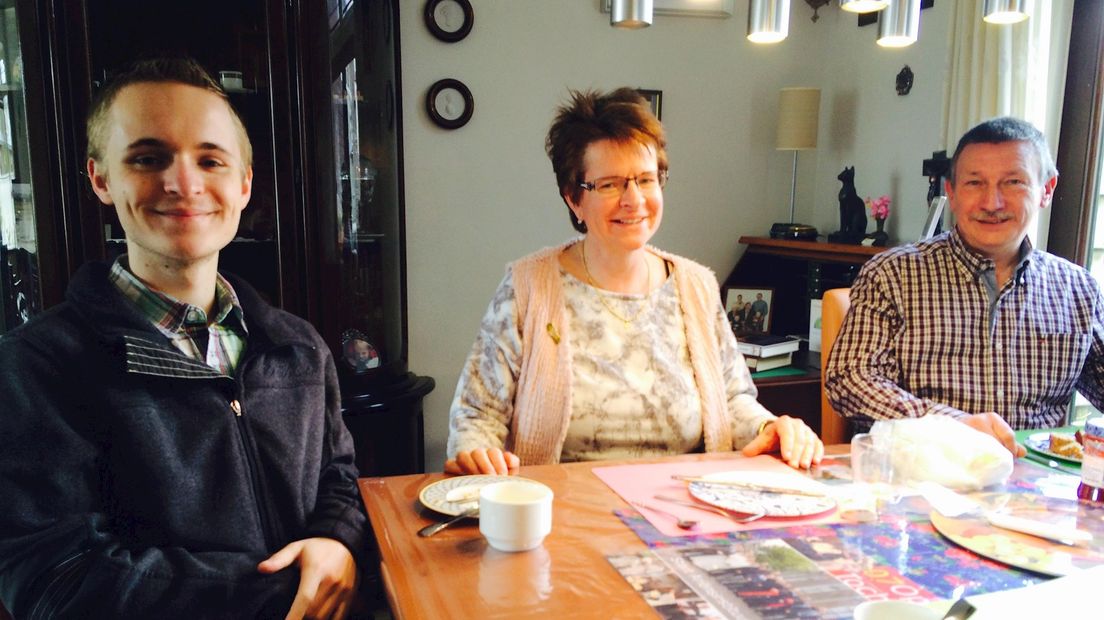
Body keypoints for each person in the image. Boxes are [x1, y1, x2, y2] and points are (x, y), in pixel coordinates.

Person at [0, 58, 366, 618]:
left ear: (243, 185)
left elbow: (338, 477)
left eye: (210, 159)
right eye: (148, 158)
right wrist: (280, 592)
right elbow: (54, 574)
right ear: (101, 178)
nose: (183, 183)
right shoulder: (37, 367)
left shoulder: (298, 346)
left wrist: (336, 542)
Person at [444, 88, 823, 476]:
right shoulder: (528, 286)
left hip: (682, 510)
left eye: (646, 179)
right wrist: (478, 454)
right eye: (609, 184)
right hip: (564, 511)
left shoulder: (696, 286)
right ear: (574, 198)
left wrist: (769, 427)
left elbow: (733, 400)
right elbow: (477, 414)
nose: (634, 200)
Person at [826, 116, 1104, 457]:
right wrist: (948, 425)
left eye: (1013, 182)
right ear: (952, 193)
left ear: (1046, 190)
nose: (992, 203)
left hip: (1035, 488)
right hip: (917, 479)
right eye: (975, 183)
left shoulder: (1078, 290)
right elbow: (851, 380)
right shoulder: (893, 274)